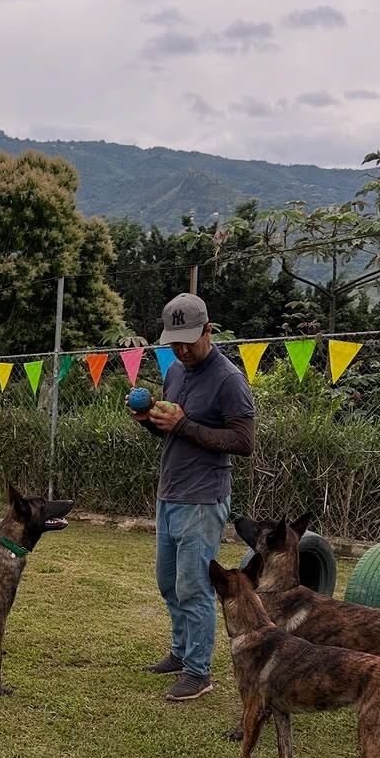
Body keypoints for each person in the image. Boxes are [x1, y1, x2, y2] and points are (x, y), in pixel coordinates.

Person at [128, 293, 255, 702]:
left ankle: (199, 672)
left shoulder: (229, 380)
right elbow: (173, 432)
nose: (181, 350)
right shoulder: (175, 371)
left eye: (188, 341)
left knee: (195, 587)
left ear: (208, 331)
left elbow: (243, 442)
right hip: (170, 493)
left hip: (202, 498)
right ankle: (181, 653)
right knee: (169, 582)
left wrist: (183, 424)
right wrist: (150, 421)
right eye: (174, 343)